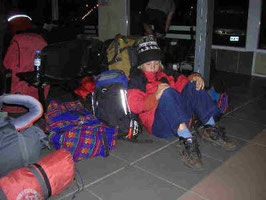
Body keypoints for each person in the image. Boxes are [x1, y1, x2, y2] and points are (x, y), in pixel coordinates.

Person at [127, 35, 236, 170]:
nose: (153, 67)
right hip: (159, 125)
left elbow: (184, 83)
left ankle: (210, 128)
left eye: (156, 62)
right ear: (141, 65)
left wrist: (195, 77)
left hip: (179, 118)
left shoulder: (166, 73)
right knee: (166, 92)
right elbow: (134, 105)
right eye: (149, 64)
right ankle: (187, 140)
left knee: (193, 85)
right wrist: (155, 96)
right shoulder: (137, 79)